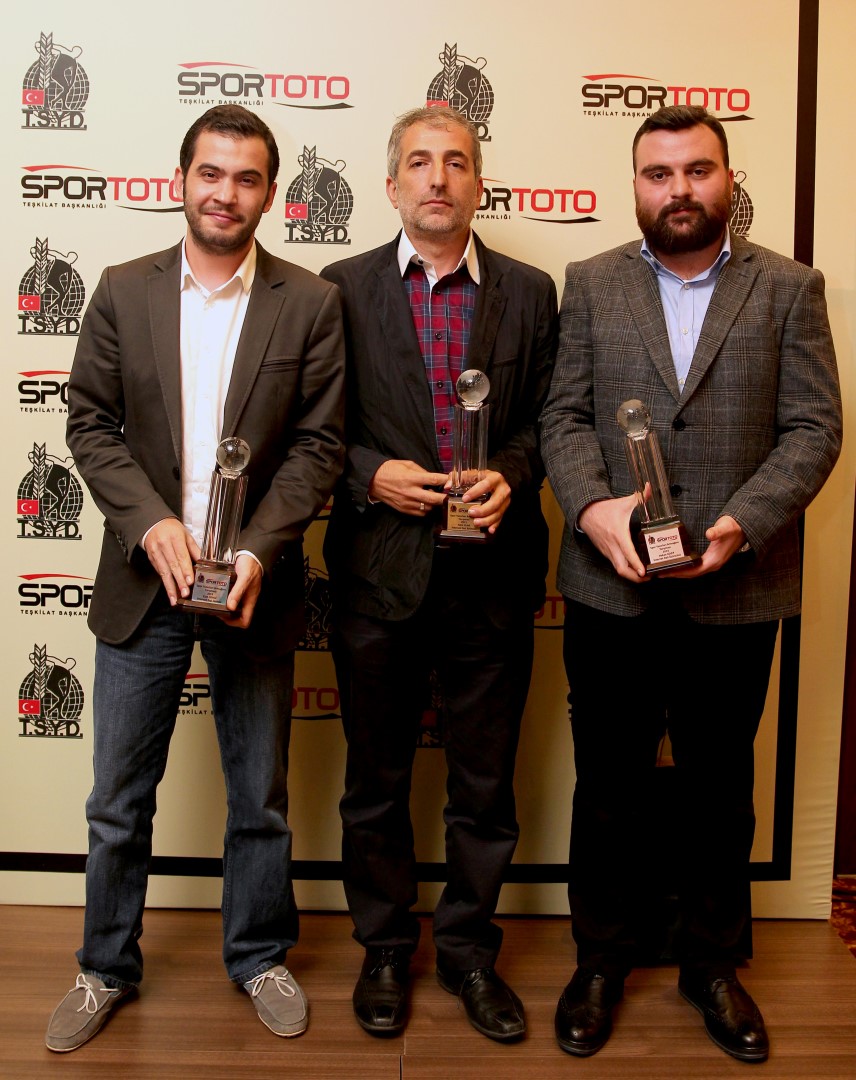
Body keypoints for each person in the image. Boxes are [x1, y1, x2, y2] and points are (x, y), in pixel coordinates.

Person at [540, 104, 842, 1063]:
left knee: (719, 786)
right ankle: (601, 960)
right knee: (608, 783)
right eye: (659, 173)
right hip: (612, 583)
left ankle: (712, 965)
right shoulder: (590, 284)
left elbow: (815, 428)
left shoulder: (789, 287)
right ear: (637, 185)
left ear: (727, 179)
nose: (679, 190)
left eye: (697, 171)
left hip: (735, 586)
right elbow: (562, 418)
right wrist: (592, 510)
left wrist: (742, 524)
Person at [45, 105, 345, 1052]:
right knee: (117, 800)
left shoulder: (310, 302)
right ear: (182, 180)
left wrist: (256, 549)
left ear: (271, 193)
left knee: (259, 796)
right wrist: (151, 524)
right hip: (146, 584)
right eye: (211, 173)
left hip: (253, 585)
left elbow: (320, 445)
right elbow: (89, 422)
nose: (226, 193)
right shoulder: (120, 290)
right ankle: (104, 966)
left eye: (247, 178)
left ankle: (258, 955)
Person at [320, 106, 557, 1042]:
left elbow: (548, 420)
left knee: (484, 787)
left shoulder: (531, 292)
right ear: (391, 186)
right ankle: (384, 947)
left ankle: (466, 952)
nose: (437, 178)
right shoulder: (339, 289)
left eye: (456, 162)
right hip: (379, 573)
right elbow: (312, 425)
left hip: (492, 576)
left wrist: (515, 473)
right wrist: (366, 473)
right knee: (375, 782)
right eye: (419, 162)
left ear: (478, 183)